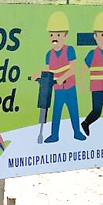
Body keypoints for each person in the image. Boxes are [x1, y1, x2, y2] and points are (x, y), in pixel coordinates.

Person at [31, 11, 86, 143]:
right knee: (56, 113)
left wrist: (63, 77)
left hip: (70, 88)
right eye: (52, 35)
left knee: (73, 110)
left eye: (58, 35)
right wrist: (38, 74)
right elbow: (49, 69)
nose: (55, 38)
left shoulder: (70, 50)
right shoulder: (49, 54)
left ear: (65, 36)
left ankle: (77, 132)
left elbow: (73, 69)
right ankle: (54, 135)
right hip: (57, 90)